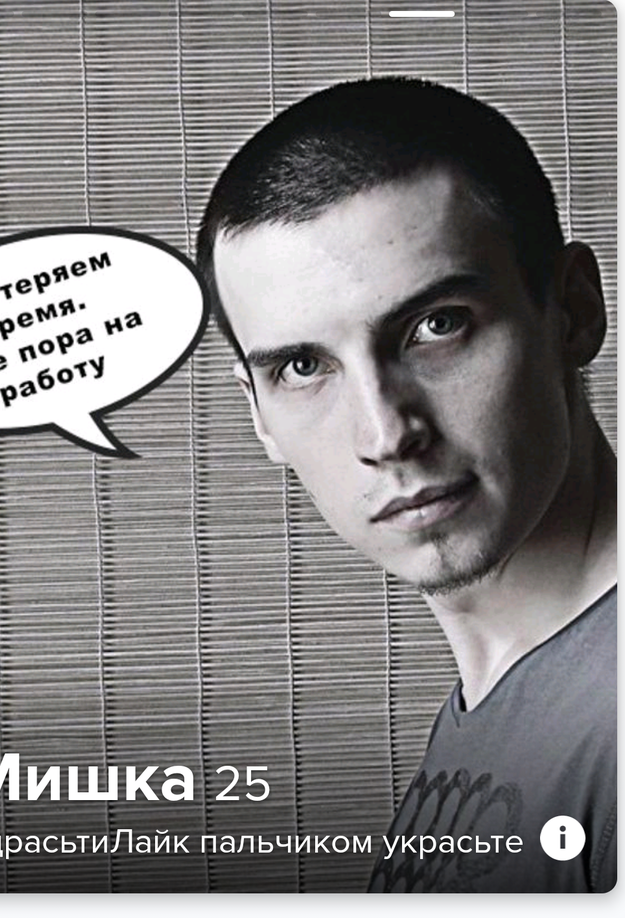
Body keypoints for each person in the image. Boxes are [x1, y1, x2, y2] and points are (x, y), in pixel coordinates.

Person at [195, 77, 616, 893]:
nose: (385, 435)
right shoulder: (502, 701)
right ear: (259, 415)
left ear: (571, 311)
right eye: (303, 367)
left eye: (437, 325)